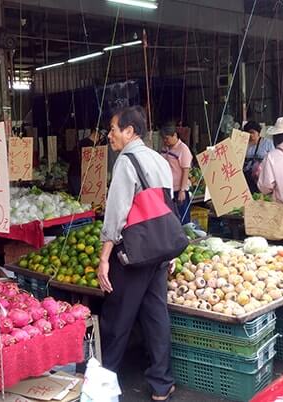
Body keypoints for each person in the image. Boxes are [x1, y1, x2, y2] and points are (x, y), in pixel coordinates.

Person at [98, 106, 176, 402]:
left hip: (133, 253)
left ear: (130, 131)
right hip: (159, 250)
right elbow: (167, 208)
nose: (110, 136)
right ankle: (161, 384)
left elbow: (116, 212)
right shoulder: (159, 159)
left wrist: (105, 257)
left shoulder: (126, 161)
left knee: (117, 317)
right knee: (156, 315)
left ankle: (106, 384)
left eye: (113, 129)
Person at [160, 125, 193, 224]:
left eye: (167, 138)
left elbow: (186, 170)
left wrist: (182, 190)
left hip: (179, 190)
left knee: (183, 220)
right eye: (164, 139)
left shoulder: (183, 149)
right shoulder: (165, 148)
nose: (165, 141)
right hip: (168, 189)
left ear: (174, 135)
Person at [67, 130, 107, 196]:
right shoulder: (88, 146)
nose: (101, 141)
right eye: (101, 138)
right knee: (79, 197)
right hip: (78, 176)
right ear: (96, 135)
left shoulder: (82, 143)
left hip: (75, 175)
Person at [242, 121, 274, 193]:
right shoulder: (243, 144)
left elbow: (273, 160)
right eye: (247, 133)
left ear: (258, 133)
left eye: (252, 132)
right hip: (247, 177)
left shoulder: (268, 143)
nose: (250, 135)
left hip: (262, 177)